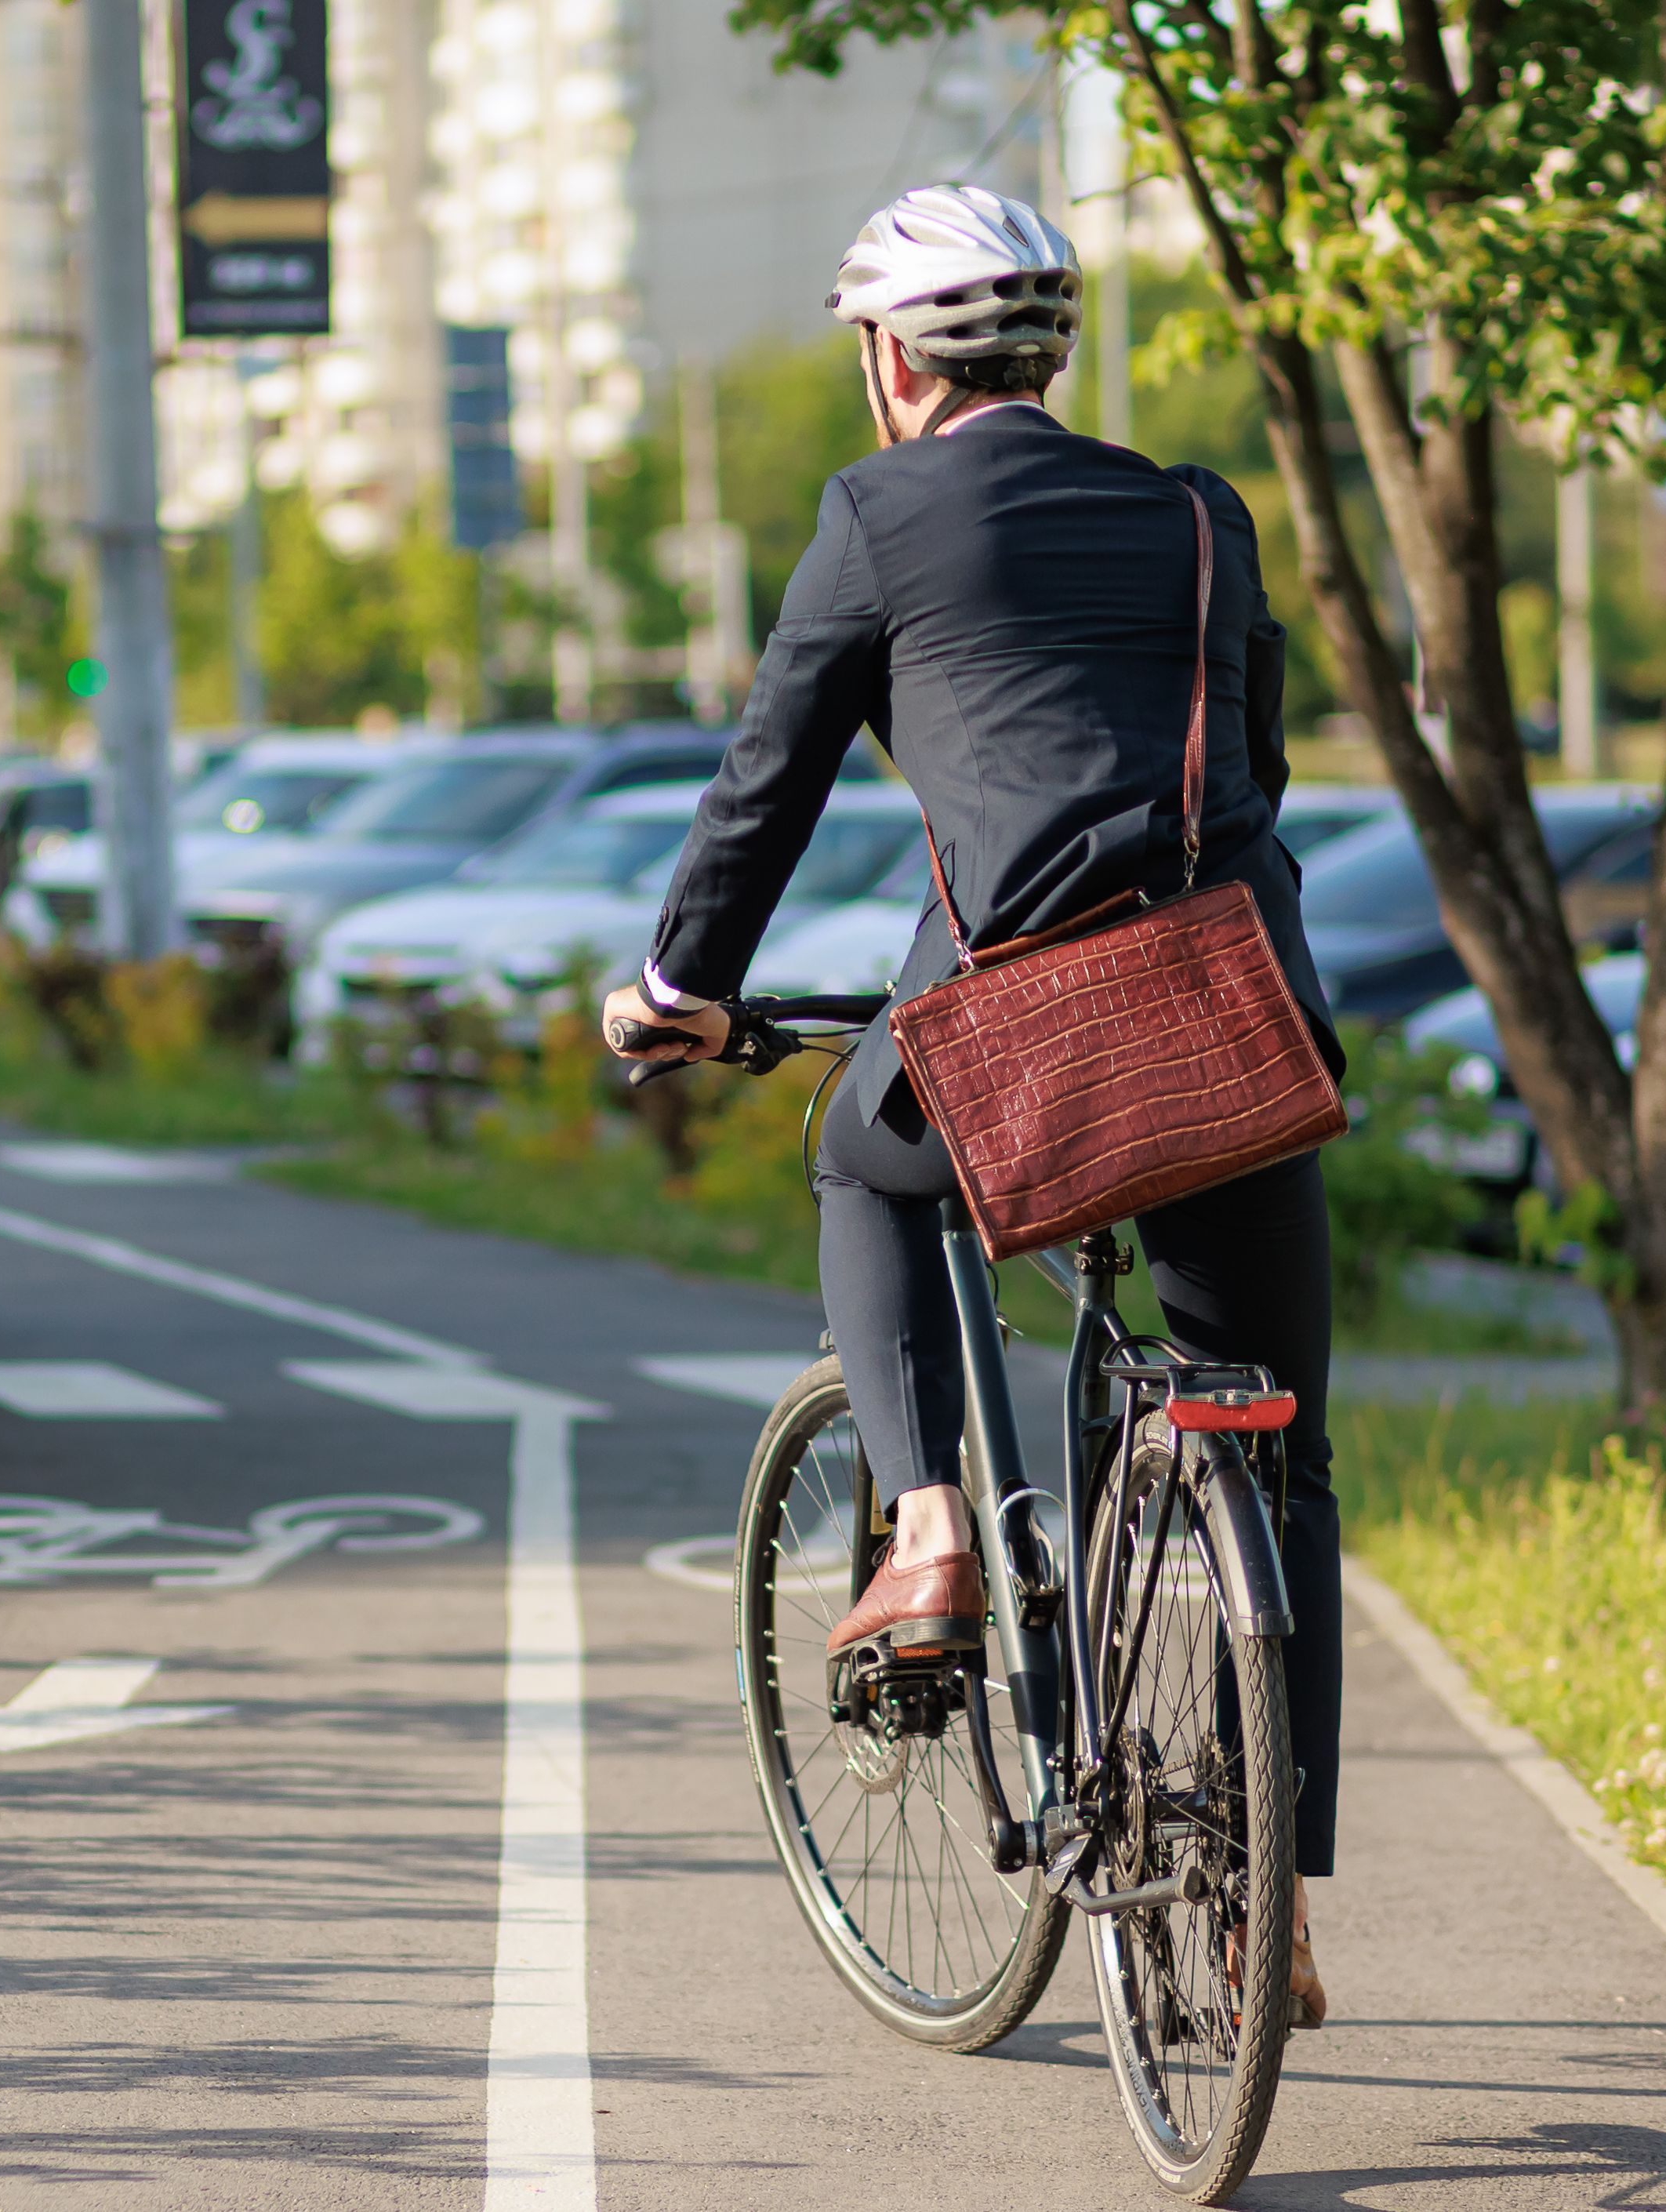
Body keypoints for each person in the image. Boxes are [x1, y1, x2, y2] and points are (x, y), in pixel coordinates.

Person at [600, 183, 1342, 2026]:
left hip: (1019, 1022)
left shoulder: (875, 515)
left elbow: (765, 777)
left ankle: (926, 1516)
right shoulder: (1200, 515)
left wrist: (681, 989)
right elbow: (1247, 760)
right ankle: (1275, 1911)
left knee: (859, 1148)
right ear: (1042, 355)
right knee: (1272, 1443)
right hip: (1237, 1017)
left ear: (887, 359)